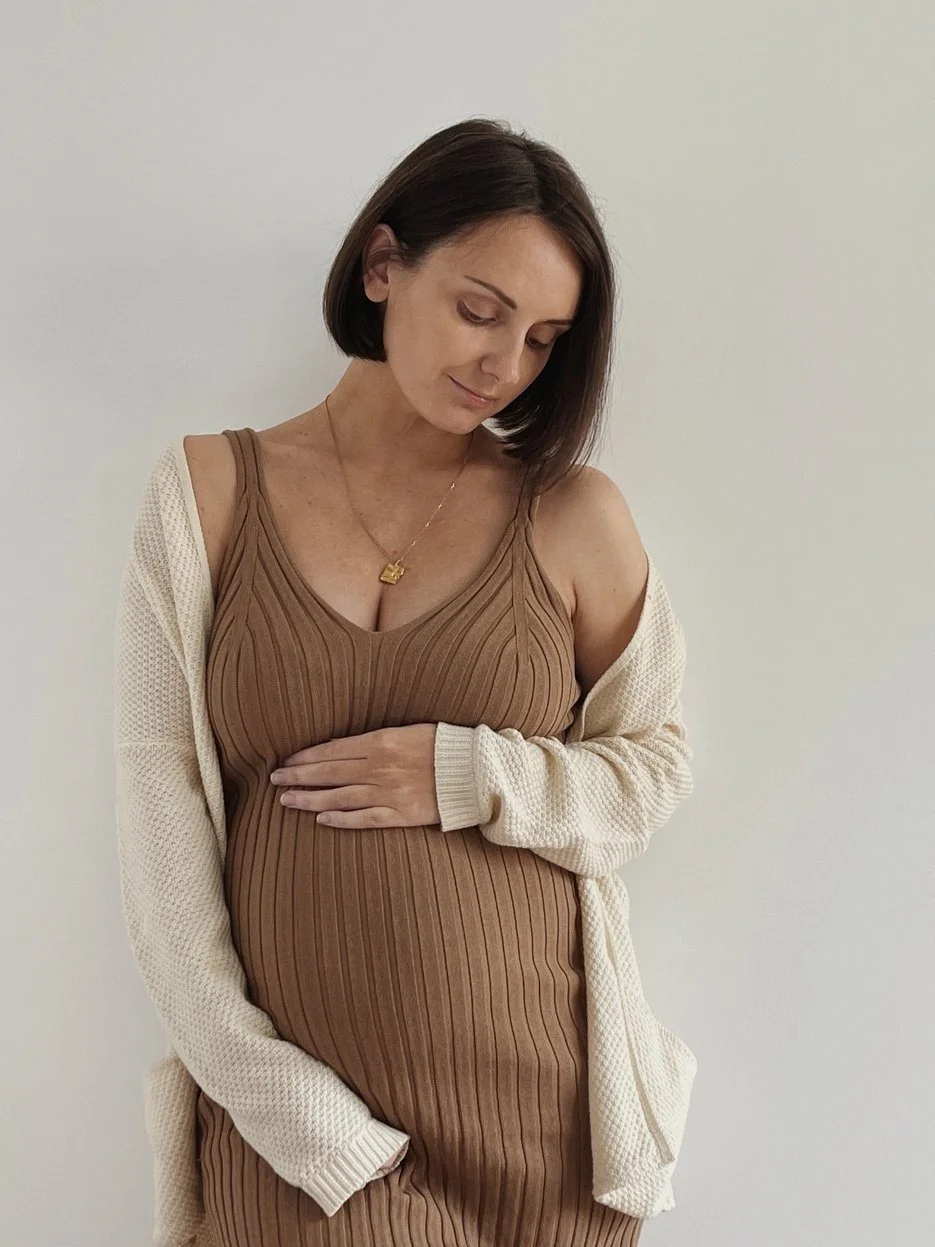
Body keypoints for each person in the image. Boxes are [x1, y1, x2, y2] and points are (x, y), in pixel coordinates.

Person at [116, 117, 695, 1247]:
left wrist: (467, 772)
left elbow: (653, 771)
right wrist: (287, 1109)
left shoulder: (571, 513)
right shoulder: (207, 492)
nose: (503, 365)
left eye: (542, 339)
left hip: (542, 1122)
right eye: (480, 310)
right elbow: (159, 817)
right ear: (383, 264)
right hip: (302, 1128)